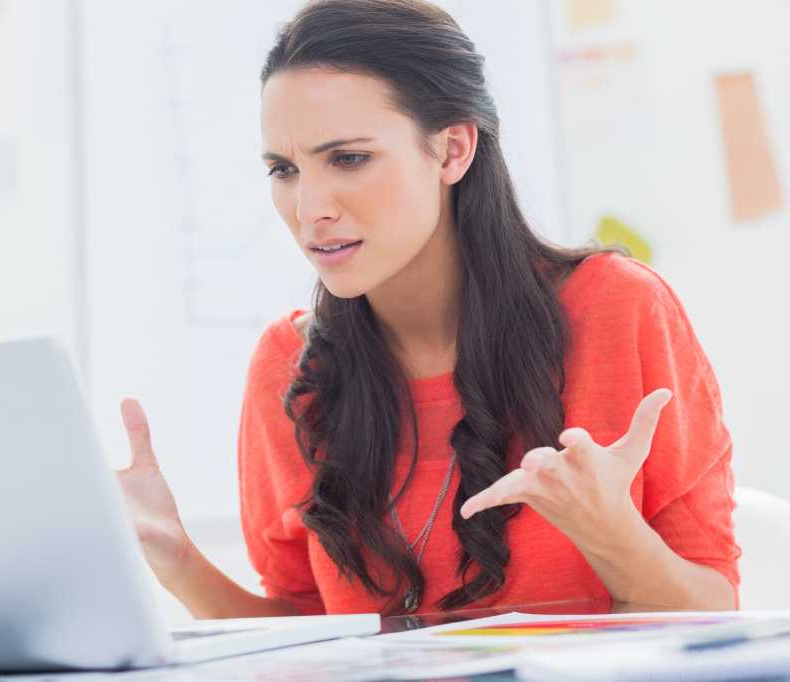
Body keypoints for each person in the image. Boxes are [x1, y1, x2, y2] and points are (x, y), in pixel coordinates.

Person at [116, 0, 740, 618]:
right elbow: (304, 641)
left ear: (452, 151)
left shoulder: (616, 307)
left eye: (348, 159)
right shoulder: (291, 365)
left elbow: (717, 611)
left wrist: (610, 532)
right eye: (283, 169)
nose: (308, 209)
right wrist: (174, 558)